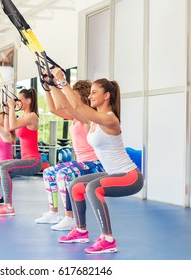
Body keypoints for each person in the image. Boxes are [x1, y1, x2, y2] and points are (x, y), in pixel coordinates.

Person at [51, 68, 144, 254]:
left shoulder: (109, 120)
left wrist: (63, 81)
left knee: (93, 188)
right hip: (113, 173)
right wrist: (51, 85)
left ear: (106, 96)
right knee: (75, 186)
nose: (90, 96)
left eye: (94, 92)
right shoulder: (92, 120)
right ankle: (80, 230)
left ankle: (108, 239)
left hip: (130, 176)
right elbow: (66, 107)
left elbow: (77, 106)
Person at [34, 80, 104, 231]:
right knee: (48, 172)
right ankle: (53, 213)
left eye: (75, 95)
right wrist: (47, 88)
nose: (72, 99)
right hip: (83, 163)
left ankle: (70, 217)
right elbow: (53, 108)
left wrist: (55, 84)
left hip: (96, 164)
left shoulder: (88, 117)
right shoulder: (75, 117)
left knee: (63, 174)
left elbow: (65, 105)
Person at [0, 88, 42, 216]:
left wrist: (12, 107)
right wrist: (8, 112)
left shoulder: (32, 116)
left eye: (19, 100)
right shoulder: (23, 116)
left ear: (28, 101)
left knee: (4, 169)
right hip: (24, 159)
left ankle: (8, 205)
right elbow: (8, 128)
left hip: (34, 161)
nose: (17, 103)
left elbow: (12, 126)